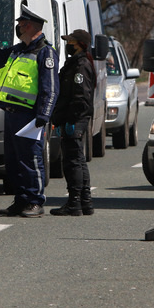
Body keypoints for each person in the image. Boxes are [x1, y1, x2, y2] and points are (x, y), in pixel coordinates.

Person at [0, 7, 59, 218]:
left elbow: (50, 87)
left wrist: (44, 115)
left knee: (31, 159)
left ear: (30, 26)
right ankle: (20, 200)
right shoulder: (18, 50)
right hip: (11, 113)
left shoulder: (45, 52)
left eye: (21, 24)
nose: (18, 28)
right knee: (13, 161)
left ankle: (35, 202)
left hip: (30, 116)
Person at [50, 29, 96, 216]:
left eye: (71, 42)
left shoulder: (81, 66)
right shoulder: (75, 63)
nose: (68, 45)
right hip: (73, 118)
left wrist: (70, 119)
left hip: (74, 119)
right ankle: (85, 202)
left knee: (72, 162)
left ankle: (74, 202)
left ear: (80, 44)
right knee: (78, 160)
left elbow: (80, 97)